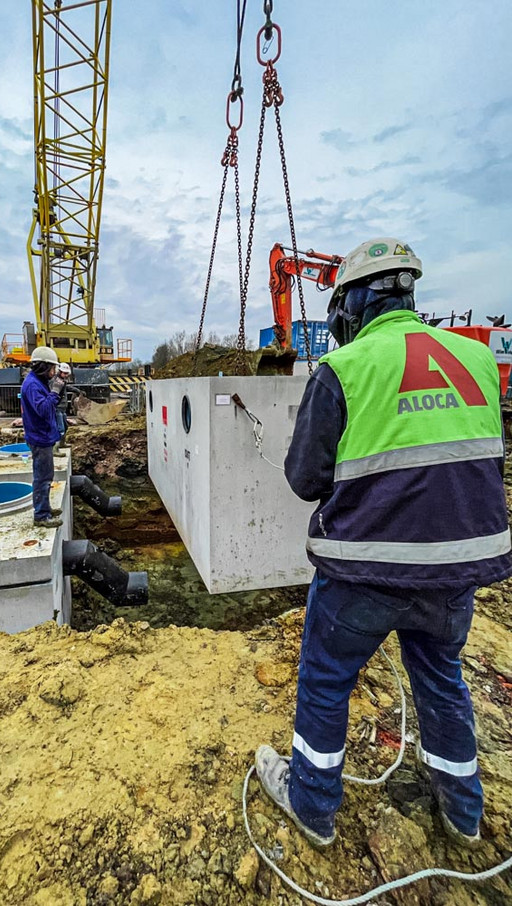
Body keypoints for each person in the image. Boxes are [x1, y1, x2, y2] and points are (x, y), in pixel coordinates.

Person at [255, 237, 512, 850]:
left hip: (361, 576)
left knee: (325, 681)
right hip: (451, 575)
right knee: (442, 681)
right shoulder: (477, 362)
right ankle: (463, 813)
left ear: (351, 304)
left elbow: (303, 479)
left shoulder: (344, 368)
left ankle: (313, 806)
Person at [20, 346, 64, 528]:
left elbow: (51, 406)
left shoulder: (37, 382)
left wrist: (59, 388)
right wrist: (54, 392)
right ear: (43, 366)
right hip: (39, 437)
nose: (53, 372)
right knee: (42, 477)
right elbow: (45, 409)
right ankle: (41, 515)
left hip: (43, 435)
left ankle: (44, 508)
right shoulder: (32, 385)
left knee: (46, 475)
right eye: (52, 368)